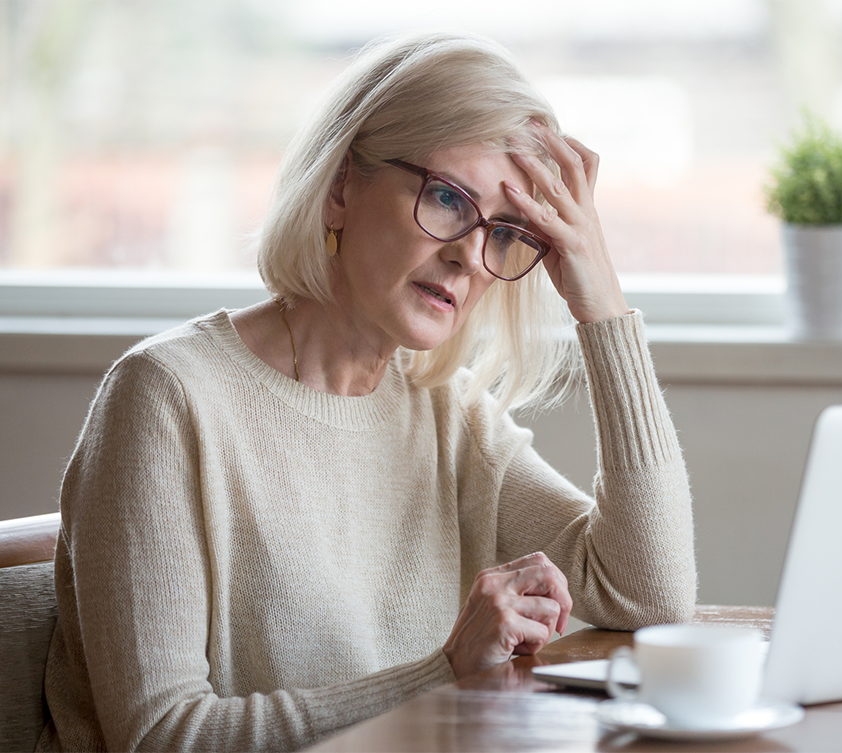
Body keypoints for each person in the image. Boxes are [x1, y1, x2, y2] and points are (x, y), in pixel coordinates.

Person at [38, 31, 696, 753]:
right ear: (342, 187)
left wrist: (599, 299)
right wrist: (439, 675)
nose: (469, 257)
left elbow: (646, 591)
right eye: (447, 198)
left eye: (504, 232)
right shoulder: (165, 398)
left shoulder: (449, 413)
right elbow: (160, 737)